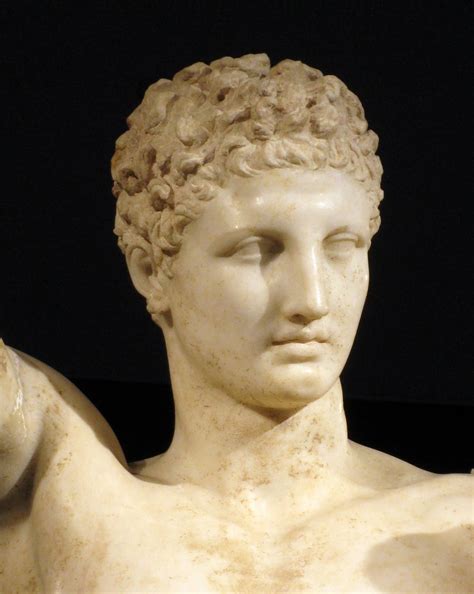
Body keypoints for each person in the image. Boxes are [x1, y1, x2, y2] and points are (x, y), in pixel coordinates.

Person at [1, 54, 472, 593]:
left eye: (341, 247)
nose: (312, 300)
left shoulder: (457, 527)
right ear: (151, 271)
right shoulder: (69, 494)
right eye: (256, 250)